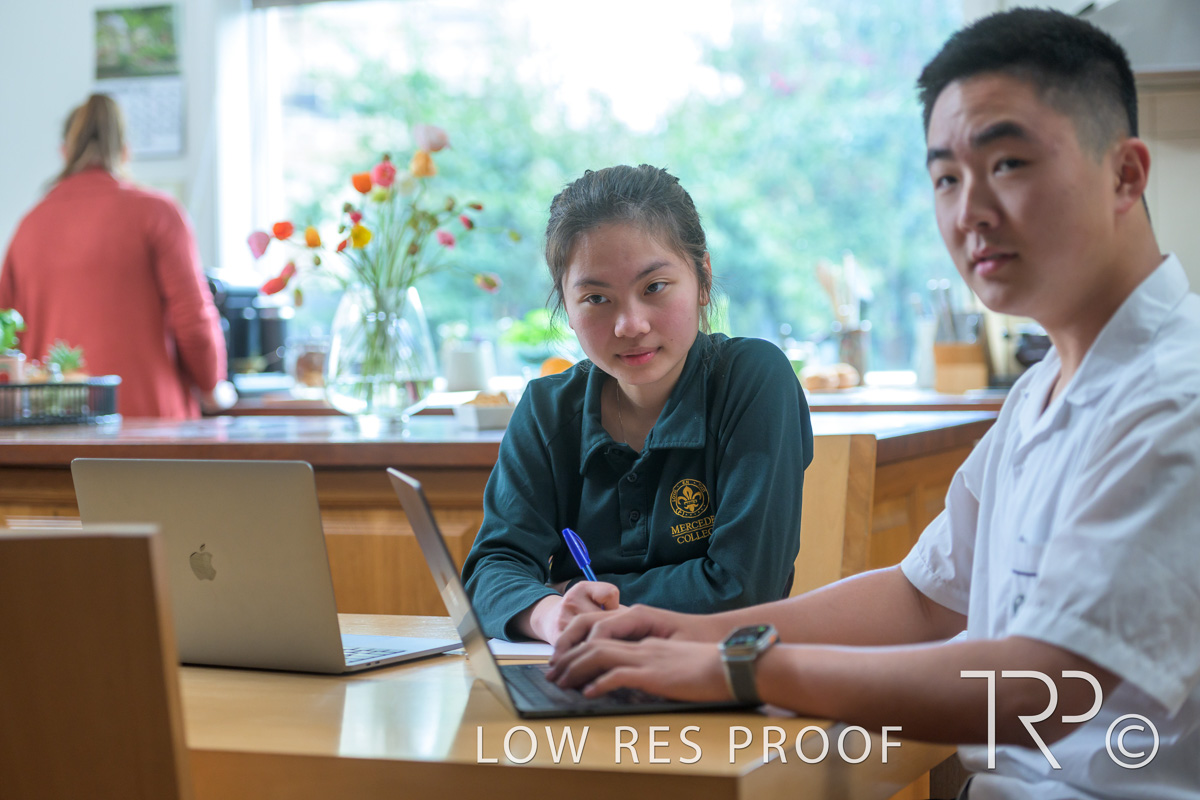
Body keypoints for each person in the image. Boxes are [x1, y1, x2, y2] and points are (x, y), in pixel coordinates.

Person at [546, 10, 1200, 800]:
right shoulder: (1045, 388)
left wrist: (738, 665)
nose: (969, 210)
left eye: (1009, 163)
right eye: (947, 178)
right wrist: (688, 632)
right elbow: (922, 598)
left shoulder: (1177, 394)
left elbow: (1042, 684)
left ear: (1125, 174)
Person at [461, 164, 813, 644]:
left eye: (654, 287)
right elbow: (491, 571)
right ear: (567, 306)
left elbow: (743, 591)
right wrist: (552, 614)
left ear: (703, 278)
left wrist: (572, 592)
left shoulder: (753, 379)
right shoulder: (546, 409)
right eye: (596, 298)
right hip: (582, 673)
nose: (630, 325)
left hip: (717, 674)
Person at [0, 94, 228, 418]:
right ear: (126, 150)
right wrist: (212, 386)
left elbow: (6, 338)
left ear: (64, 152)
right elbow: (193, 320)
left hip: (56, 425)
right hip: (152, 424)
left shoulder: (29, 225)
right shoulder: (157, 214)